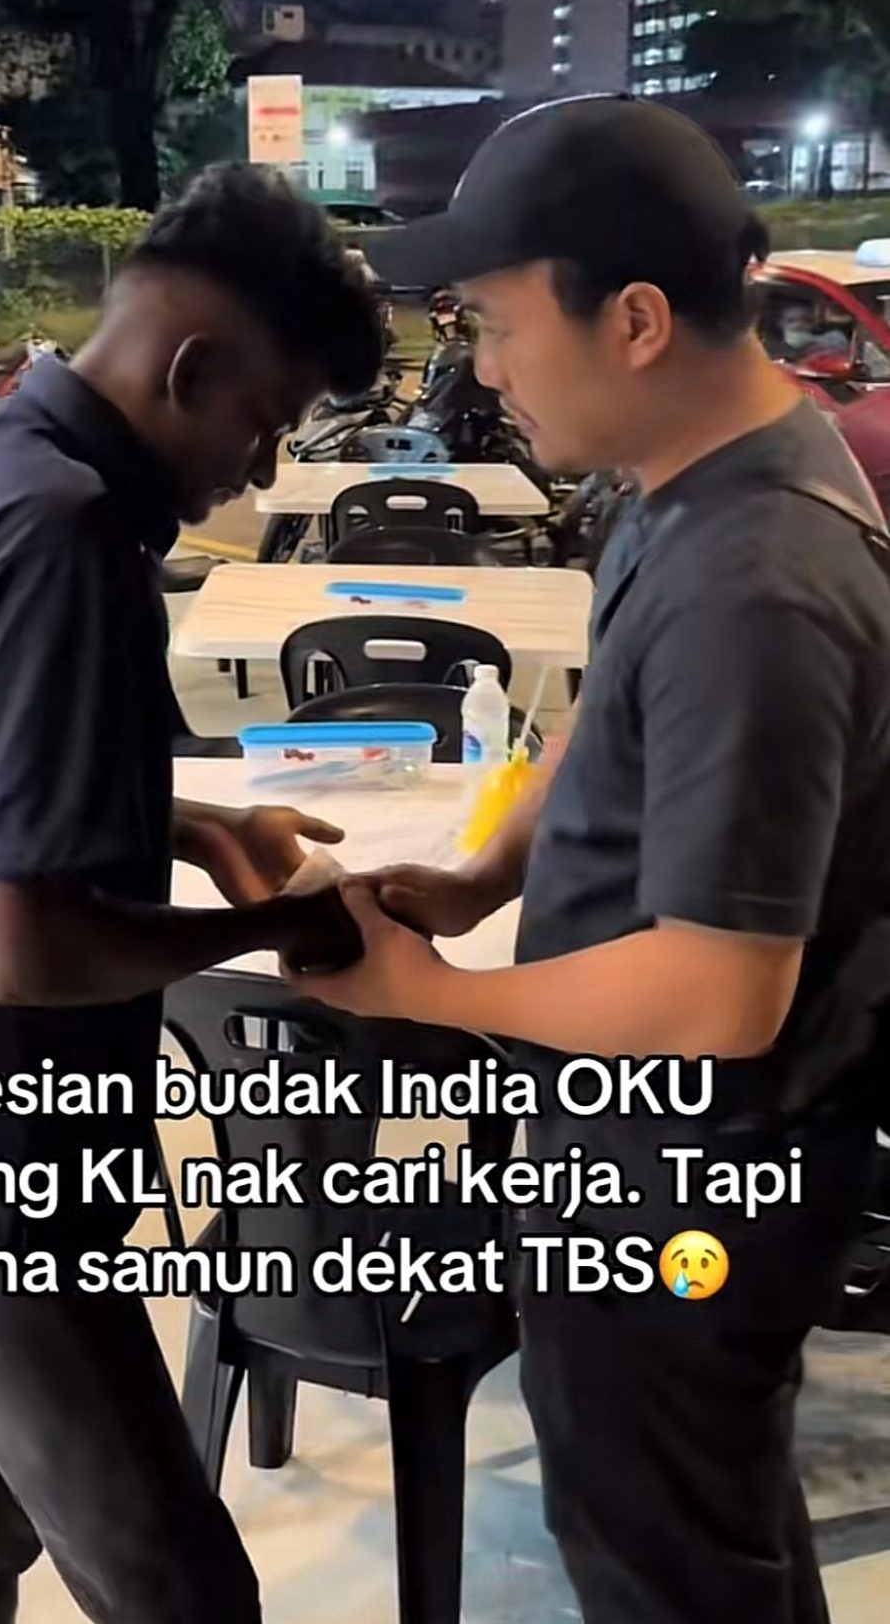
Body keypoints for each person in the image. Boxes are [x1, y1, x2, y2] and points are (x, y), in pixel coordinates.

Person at [306, 96, 890, 1624]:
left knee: (664, 1563)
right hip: (641, 1147)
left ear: (632, 321)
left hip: (693, 1177)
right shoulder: (686, 488)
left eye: (497, 326)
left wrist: (426, 995)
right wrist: (483, 876)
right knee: (701, 1531)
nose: (484, 370)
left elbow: (716, 993)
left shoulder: (755, 580)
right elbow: (597, 727)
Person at [0, 165, 384, 1624]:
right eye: (264, 420)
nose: (261, 469)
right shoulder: (66, 535)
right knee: (179, 1591)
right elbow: (35, 948)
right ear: (191, 368)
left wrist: (197, 825)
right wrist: (290, 923)